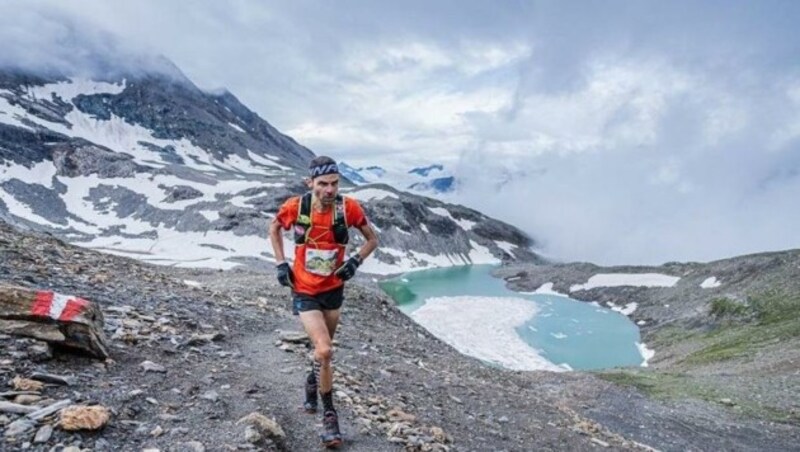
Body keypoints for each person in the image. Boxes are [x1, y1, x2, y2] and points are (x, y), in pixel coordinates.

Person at [268, 155, 379, 448]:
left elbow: (372, 239)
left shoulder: (349, 208)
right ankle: (330, 416)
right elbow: (274, 228)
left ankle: (311, 380)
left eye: (334, 183)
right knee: (326, 349)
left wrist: (355, 261)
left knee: (322, 353)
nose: (330, 190)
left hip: (333, 289)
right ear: (311, 183)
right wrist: (281, 264)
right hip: (304, 289)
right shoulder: (296, 207)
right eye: (323, 184)